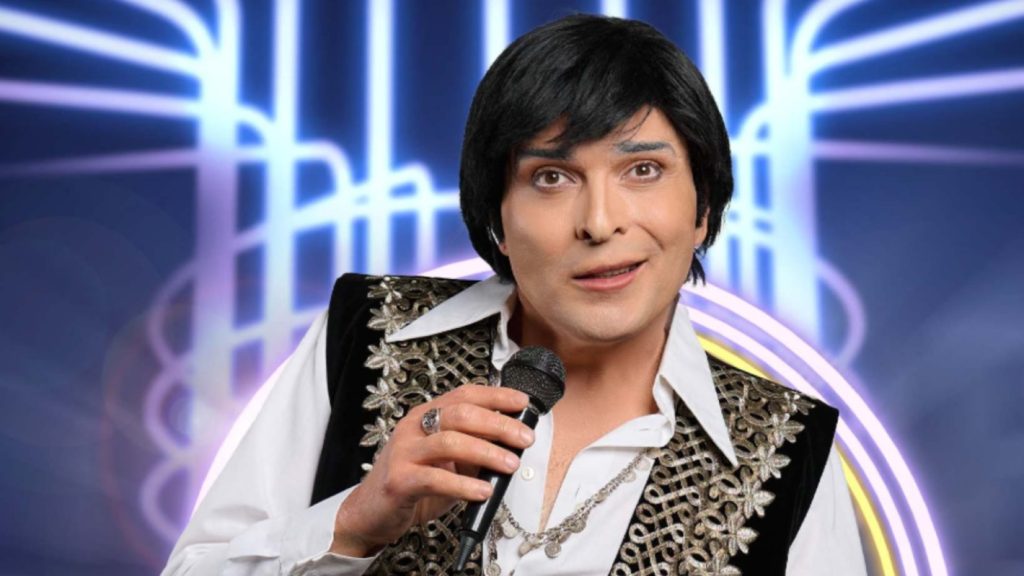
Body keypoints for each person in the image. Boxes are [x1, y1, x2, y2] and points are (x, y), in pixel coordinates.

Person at [163, 14, 866, 576]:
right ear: (497, 218)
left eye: (643, 170)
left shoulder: (787, 449)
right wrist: (353, 523)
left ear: (703, 207)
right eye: (552, 178)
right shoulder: (367, 336)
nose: (600, 222)